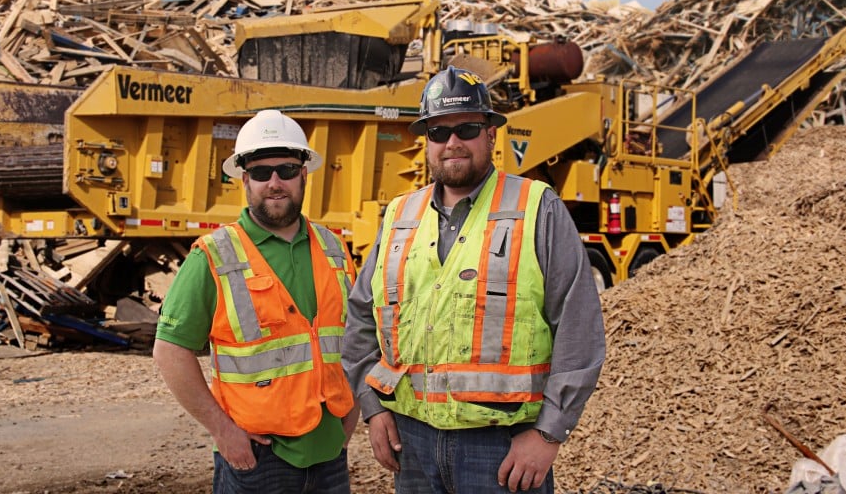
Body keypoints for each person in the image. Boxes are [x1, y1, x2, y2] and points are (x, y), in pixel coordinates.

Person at [342, 66, 606, 493]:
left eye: (466, 128)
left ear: (490, 135)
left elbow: (580, 330)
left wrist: (548, 434)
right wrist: (373, 409)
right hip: (412, 444)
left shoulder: (537, 207)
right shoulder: (399, 215)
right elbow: (359, 317)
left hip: (501, 450)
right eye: (437, 132)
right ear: (425, 141)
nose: (452, 143)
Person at [153, 109, 360, 494]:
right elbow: (170, 352)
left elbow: (354, 340)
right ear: (245, 180)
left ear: (304, 174)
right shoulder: (213, 256)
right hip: (258, 459)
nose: (275, 182)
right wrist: (223, 431)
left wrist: (352, 413)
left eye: (286, 169)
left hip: (330, 454)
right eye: (262, 173)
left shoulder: (333, 247)